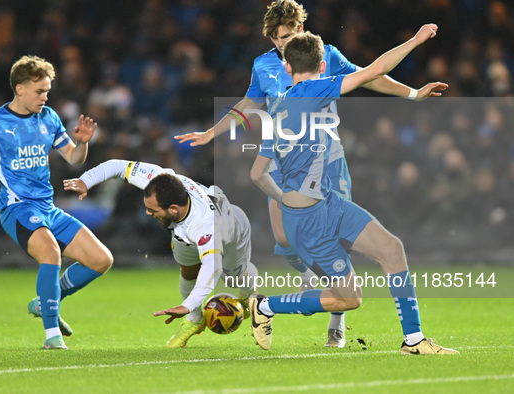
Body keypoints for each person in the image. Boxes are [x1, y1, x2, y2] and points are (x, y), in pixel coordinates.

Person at [175, 0, 448, 348]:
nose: (280, 43)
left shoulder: (321, 59)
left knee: (362, 246)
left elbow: (371, 76)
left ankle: (342, 321)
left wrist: (410, 93)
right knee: (289, 241)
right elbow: (250, 105)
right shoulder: (280, 73)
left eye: (286, 36)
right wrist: (213, 132)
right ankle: (299, 300)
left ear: (300, 35)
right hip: (291, 164)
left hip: (324, 163)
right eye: (275, 38)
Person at [248, 26, 458, 355]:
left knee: (392, 249)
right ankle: (267, 307)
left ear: (287, 68)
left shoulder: (277, 111)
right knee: (348, 299)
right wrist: (416, 42)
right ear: (321, 68)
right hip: (309, 220)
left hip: (325, 204)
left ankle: (414, 341)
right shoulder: (315, 90)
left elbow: (257, 173)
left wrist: (283, 199)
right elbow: (374, 71)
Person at [0, 55, 113, 350]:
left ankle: (45, 302)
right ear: (19, 88)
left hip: (47, 208)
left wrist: (82, 143)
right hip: (17, 208)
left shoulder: (49, 117)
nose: (45, 97)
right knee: (51, 253)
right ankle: (52, 335)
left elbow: (73, 158)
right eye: (40, 91)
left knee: (101, 259)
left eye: (47, 91)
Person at [63, 160, 258, 348]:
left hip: (232, 232)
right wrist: (85, 180)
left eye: (152, 209)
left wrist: (187, 304)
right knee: (188, 271)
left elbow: (212, 267)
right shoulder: (161, 180)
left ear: (173, 209)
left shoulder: (205, 225)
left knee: (233, 278)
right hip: (183, 232)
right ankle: (195, 321)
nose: (148, 213)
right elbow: (118, 166)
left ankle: (248, 294)